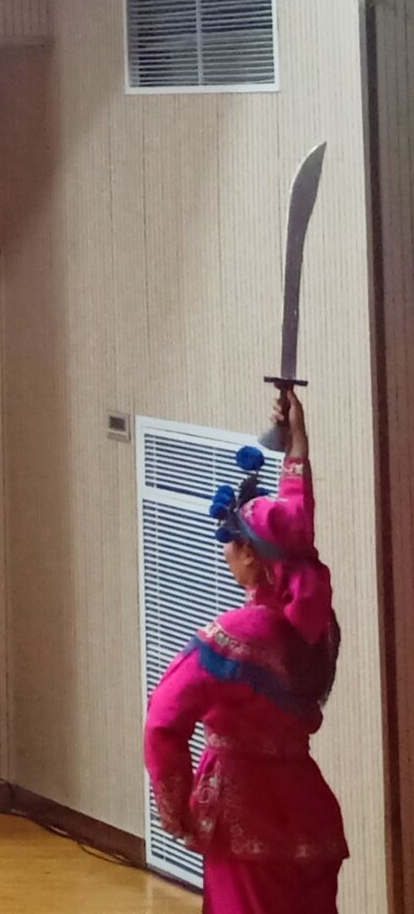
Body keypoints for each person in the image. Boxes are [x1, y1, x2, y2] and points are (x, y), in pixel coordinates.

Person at [146, 385, 342, 913]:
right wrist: (296, 440)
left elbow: (162, 720)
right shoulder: (316, 625)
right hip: (309, 815)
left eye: (230, 542)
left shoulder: (232, 638)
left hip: (245, 819)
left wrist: (176, 810)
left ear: (253, 557)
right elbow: (297, 524)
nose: (225, 553)